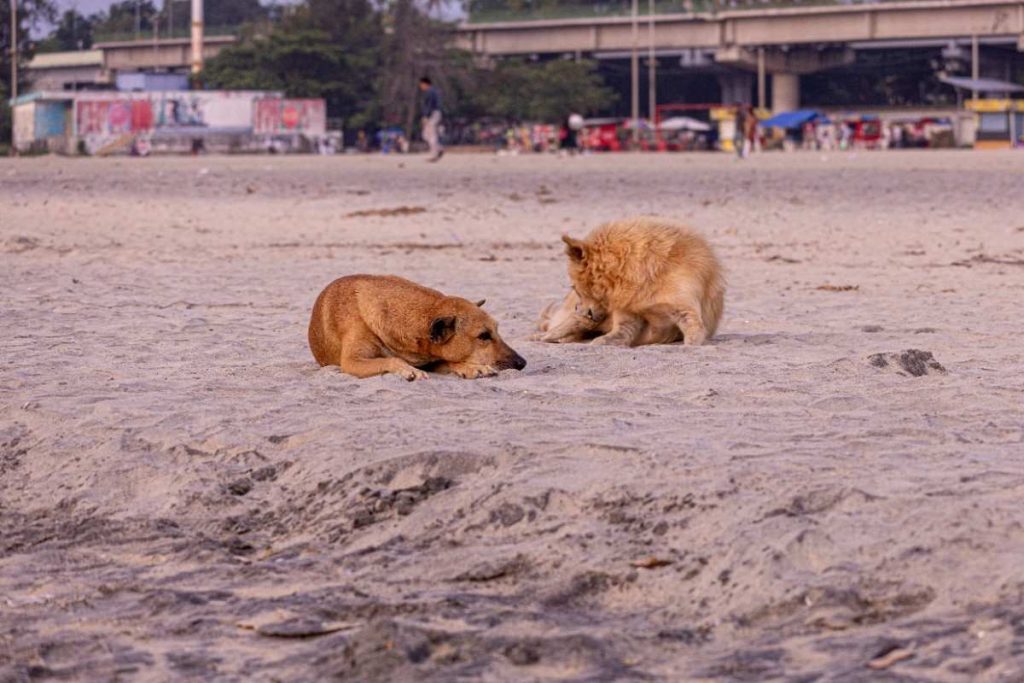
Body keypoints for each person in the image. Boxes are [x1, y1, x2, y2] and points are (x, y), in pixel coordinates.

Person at [418, 76, 444, 162]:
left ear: (425, 84)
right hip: (436, 113)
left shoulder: (429, 92)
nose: (420, 87)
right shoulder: (435, 91)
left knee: (430, 134)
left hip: (432, 114)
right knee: (426, 134)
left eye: (421, 85)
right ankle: (439, 148)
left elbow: (429, 105)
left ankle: (434, 154)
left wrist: (425, 116)